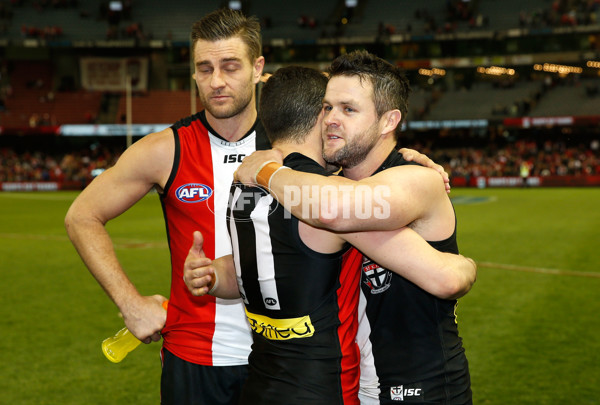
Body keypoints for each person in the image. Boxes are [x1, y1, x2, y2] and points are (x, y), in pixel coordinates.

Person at [184, 65, 476, 404]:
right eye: (326, 107)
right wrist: (218, 272)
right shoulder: (329, 187)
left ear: (388, 121)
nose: (330, 119)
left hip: (421, 389)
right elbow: (293, 264)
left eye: (348, 109)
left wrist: (267, 170)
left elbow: (333, 212)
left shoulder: (414, 180)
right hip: (357, 385)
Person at [65, 8, 269, 405]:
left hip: (283, 358)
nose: (217, 81)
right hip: (194, 360)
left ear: (258, 67)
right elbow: (81, 216)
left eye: (230, 66)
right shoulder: (166, 149)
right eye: (205, 68)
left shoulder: (295, 144)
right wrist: (130, 304)